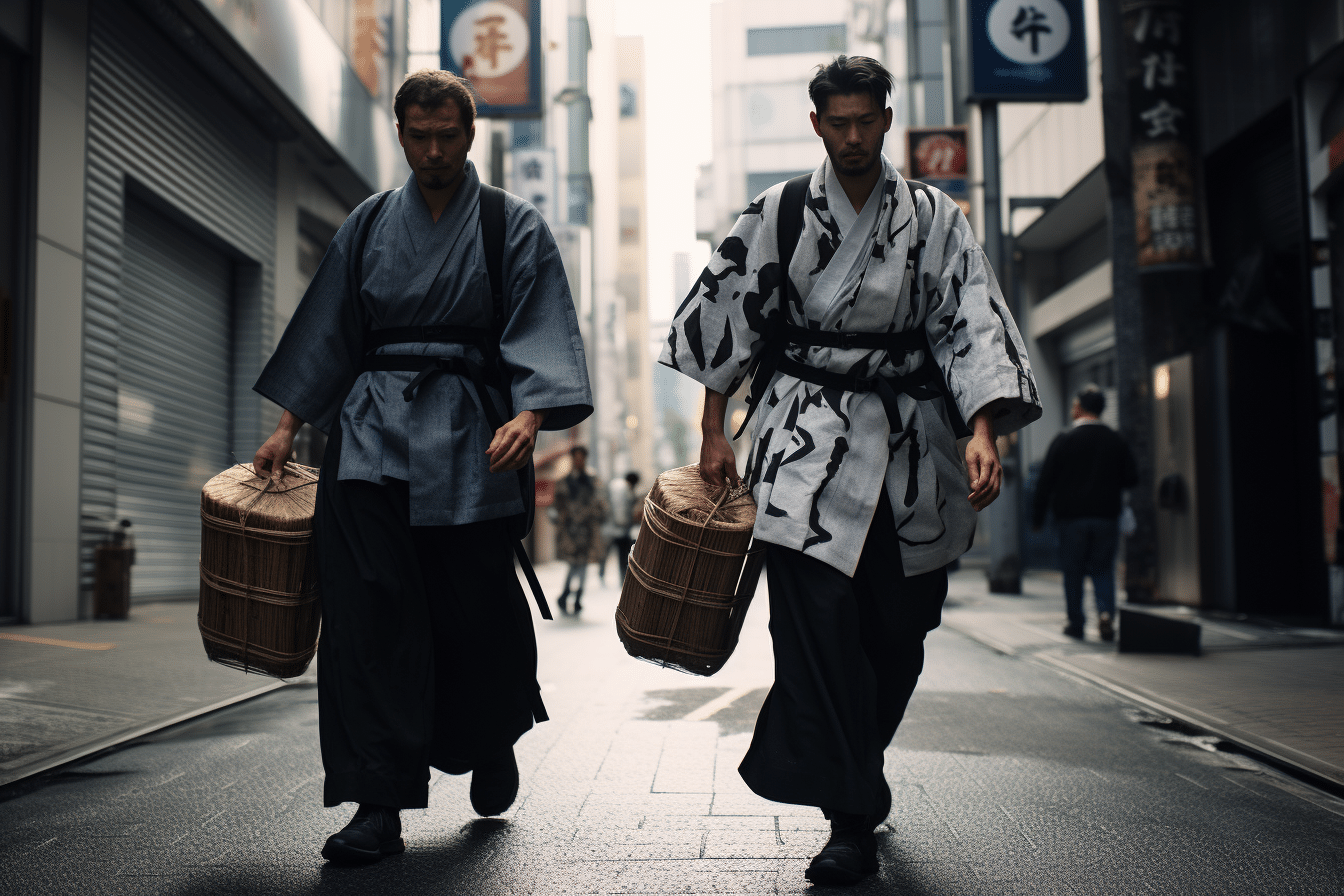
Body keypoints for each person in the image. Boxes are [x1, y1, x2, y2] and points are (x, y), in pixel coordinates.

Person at [659, 56, 1041, 886]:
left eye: (868, 121)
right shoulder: (780, 211)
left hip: (912, 447)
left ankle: (855, 766)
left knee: (901, 632)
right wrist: (713, 429)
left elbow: (969, 321)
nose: (855, 136)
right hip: (803, 447)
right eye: (839, 122)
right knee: (816, 630)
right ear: (817, 123)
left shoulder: (937, 216)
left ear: (888, 119)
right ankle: (850, 814)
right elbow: (728, 318)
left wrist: (984, 429)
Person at [251, 70, 592, 865]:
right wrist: (286, 425)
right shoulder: (370, 224)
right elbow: (328, 328)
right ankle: (379, 804)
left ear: (470, 134)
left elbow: (540, 329)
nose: (434, 150)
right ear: (402, 135)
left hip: (472, 439)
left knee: (473, 611)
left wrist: (531, 414)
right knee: (366, 618)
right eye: (420, 136)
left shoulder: (512, 224)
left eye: (448, 135)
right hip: (369, 438)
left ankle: (493, 731)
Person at [1031, 385, 1138, 641]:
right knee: (1103, 569)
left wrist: (1037, 517)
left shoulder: (1064, 440)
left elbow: (1045, 482)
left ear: (1078, 408)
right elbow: (1132, 478)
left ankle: (1076, 622)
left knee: (1073, 570)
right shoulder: (1116, 440)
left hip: (1071, 520)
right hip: (1106, 518)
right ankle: (1105, 614)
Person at [552, 445, 607, 613]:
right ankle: (567, 594)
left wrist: (596, 515)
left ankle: (576, 597)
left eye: (581, 457)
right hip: (570, 530)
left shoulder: (593, 480)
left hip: (588, 529)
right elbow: (557, 505)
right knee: (573, 564)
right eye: (576, 457)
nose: (578, 461)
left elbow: (600, 503)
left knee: (582, 564)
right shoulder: (564, 481)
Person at [603, 471, 643, 585]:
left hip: (616, 529)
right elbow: (621, 511)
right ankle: (624, 579)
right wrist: (624, 523)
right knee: (623, 555)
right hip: (622, 529)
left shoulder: (617, 487)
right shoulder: (623, 490)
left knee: (621, 555)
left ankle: (623, 578)